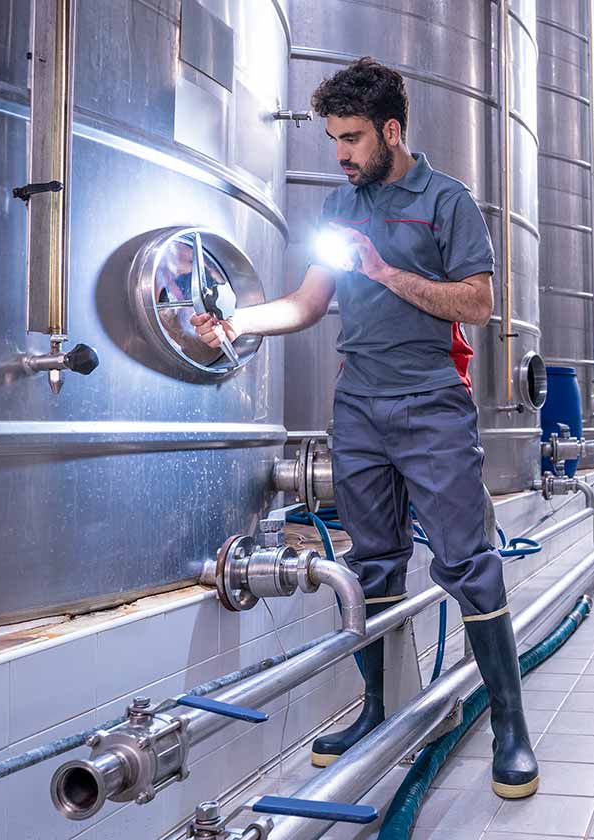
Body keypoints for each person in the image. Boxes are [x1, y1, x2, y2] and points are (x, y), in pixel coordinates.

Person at [190, 57, 538, 800]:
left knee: (466, 560)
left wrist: (383, 274)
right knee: (372, 562)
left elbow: (476, 303)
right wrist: (236, 322)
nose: (340, 153)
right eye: (333, 139)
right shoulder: (339, 209)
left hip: (431, 402)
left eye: (351, 138)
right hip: (360, 407)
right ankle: (377, 709)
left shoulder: (448, 201)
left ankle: (511, 726)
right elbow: (309, 304)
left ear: (390, 129)